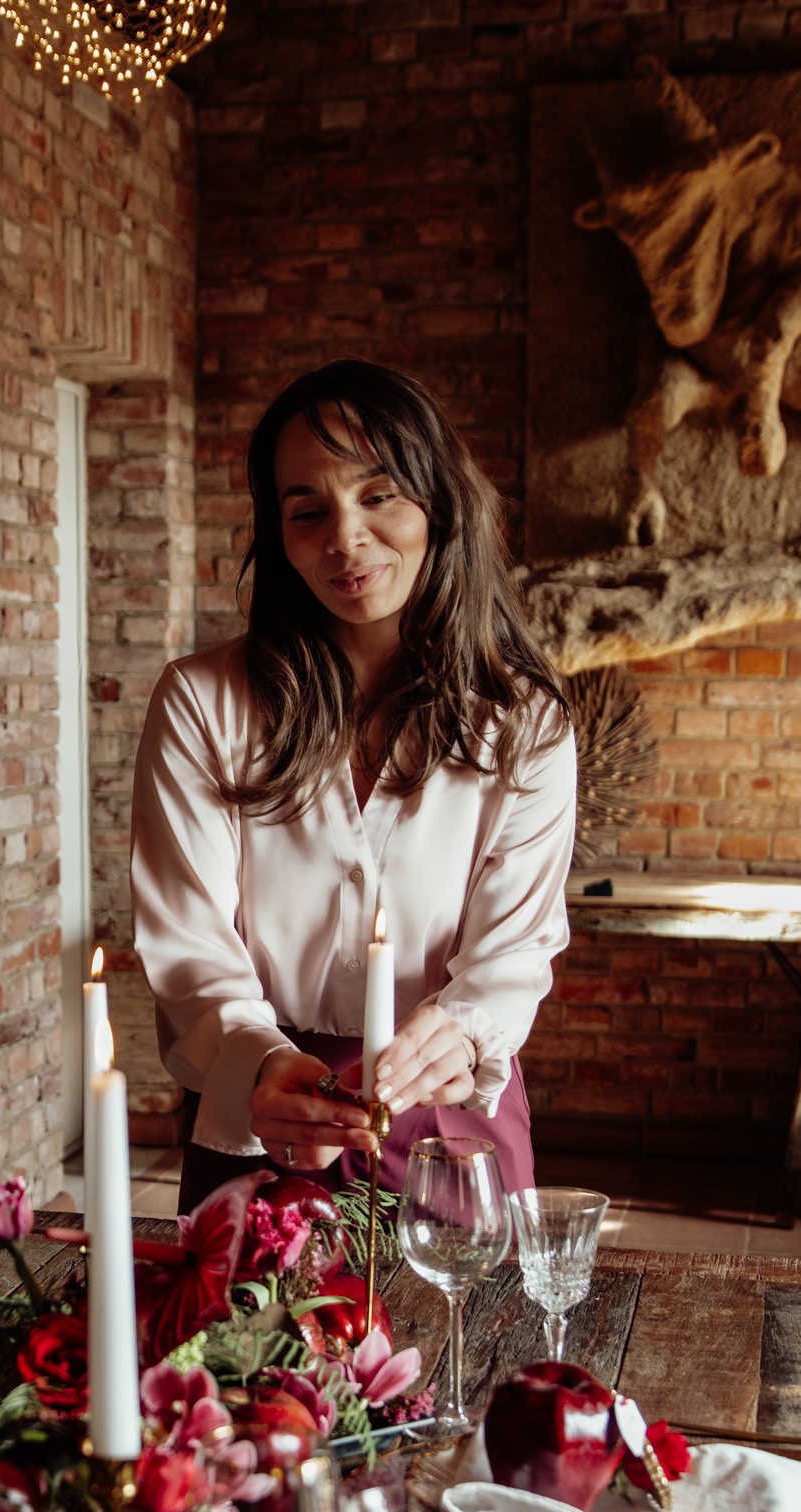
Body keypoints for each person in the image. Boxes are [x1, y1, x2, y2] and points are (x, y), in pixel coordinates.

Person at [129, 359, 576, 1214]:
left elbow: (512, 952)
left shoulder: (524, 725)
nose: (345, 538)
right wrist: (260, 1062)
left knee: (466, 1308)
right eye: (308, 512)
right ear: (279, 534)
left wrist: (463, 1033)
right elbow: (186, 944)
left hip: (447, 1119)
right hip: (265, 1106)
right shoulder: (202, 702)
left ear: (438, 502)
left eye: (379, 495)